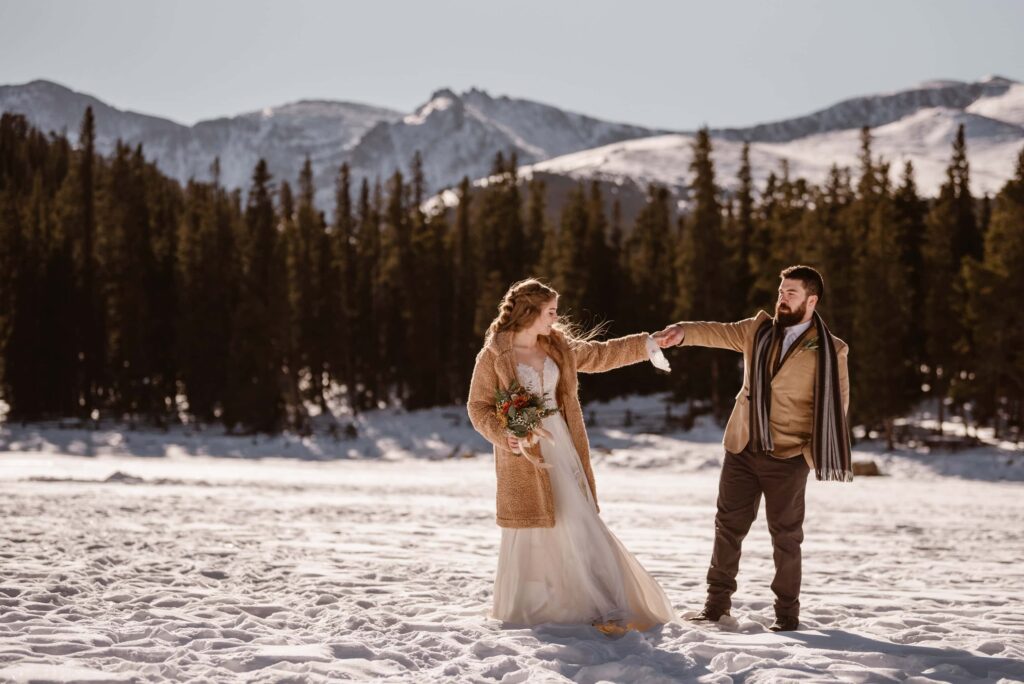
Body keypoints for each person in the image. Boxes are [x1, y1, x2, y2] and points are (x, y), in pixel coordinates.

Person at [466, 278, 675, 633]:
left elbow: (600, 354)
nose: (555, 318)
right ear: (529, 312)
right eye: (549, 312)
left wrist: (648, 343)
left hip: (562, 445)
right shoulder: (493, 355)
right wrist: (507, 436)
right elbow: (478, 406)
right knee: (536, 524)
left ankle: (600, 603)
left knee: (577, 517)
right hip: (525, 455)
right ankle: (544, 606)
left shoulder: (557, 346)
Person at [652, 265, 851, 632]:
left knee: (786, 539)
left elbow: (836, 408)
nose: (781, 298)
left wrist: (805, 457)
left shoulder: (831, 350)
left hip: (788, 457)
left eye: (790, 293)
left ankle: (787, 617)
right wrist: (682, 333)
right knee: (727, 528)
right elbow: (717, 332)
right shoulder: (757, 329)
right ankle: (715, 607)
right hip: (742, 448)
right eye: (780, 291)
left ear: (812, 300)